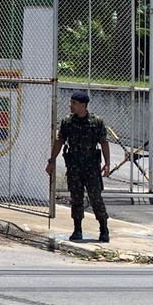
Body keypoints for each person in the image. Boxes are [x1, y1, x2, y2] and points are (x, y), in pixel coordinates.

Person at [45, 90, 112, 242]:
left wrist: (107, 164)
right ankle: (77, 229)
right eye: (71, 102)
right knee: (76, 198)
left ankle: (103, 228)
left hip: (91, 167)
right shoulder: (67, 121)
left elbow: (104, 143)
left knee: (96, 197)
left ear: (83, 105)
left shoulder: (96, 122)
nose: (71, 106)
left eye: (74, 103)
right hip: (74, 166)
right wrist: (52, 161)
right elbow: (59, 141)